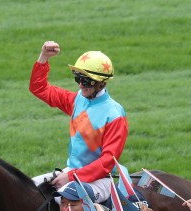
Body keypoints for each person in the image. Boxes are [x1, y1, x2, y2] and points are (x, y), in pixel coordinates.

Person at [29, 40, 127, 202]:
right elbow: (39, 88)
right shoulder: (77, 100)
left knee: (63, 200)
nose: (81, 85)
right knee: (27, 191)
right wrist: (44, 57)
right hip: (72, 172)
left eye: (86, 80)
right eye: (78, 78)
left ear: (101, 82)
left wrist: (72, 177)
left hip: (101, 180)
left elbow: (107, 162)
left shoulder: (114, 114)